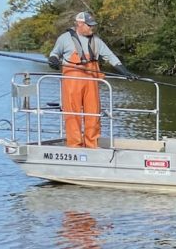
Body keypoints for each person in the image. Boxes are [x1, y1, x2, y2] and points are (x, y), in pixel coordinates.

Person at [47, 12, 135, 148]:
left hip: (91, 83)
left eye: (93, 26)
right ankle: (75, 145)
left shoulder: (97, 41)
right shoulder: (64, 39)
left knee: (93, 114)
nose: (92, 29)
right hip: (72, 83)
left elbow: (111, 58)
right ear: (80, 24)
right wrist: (53, 60)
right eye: (89, 26)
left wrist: (126, 72)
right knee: (72, 114)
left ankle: (92, 144)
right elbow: (54, 54)